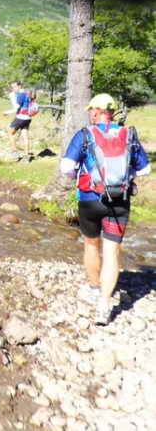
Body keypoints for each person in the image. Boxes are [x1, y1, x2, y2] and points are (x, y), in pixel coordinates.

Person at [60, 93, 151, 324]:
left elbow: (66, 167)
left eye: (91, 110)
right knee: (112, 251)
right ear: (113, 112)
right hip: (119, 201)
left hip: (90, 199)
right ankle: (104, 303)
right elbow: (145, 169)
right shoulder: (128, 134)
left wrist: (79, 176)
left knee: (91, 243)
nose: (90, 114)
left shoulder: (85, 135)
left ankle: (93, 287)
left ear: (96, 111)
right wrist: (124, 175)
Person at [4, 81, 32, 160]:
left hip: (21, 117)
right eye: (12, 87)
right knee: (25, 136)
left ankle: (14, 152)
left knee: (10, 133)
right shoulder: (27, 93)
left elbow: (16, 108)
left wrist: (7, 112)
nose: (13, 89)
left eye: (15, 87)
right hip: (28, 117)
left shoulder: (20, 95)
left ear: (20, 86)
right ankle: (26, 157)